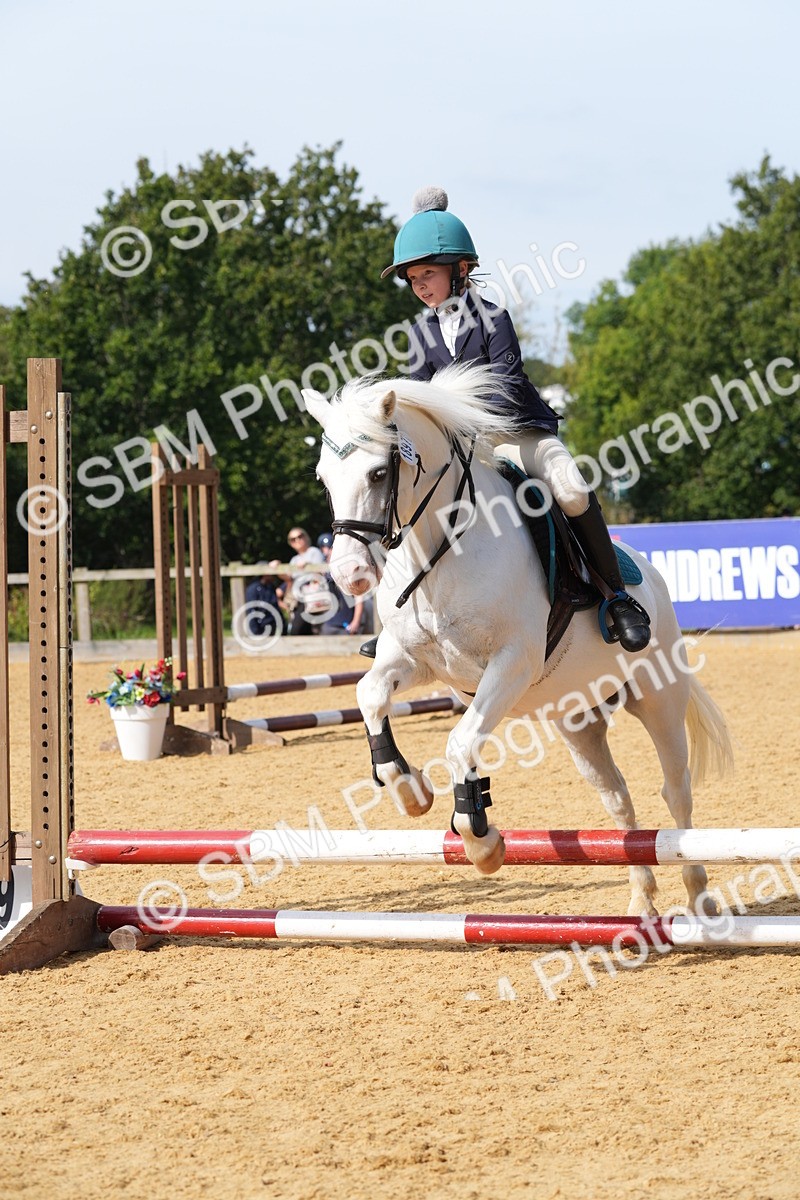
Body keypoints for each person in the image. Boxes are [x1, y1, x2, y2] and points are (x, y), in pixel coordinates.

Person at [360, 185, 650, 658]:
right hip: (463, 450)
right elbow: (420, 398)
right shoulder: (419, 333)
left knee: (571, 488)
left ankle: (616, 597)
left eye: (427, 274)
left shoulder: (493, 318)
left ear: (461, 270)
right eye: (413, 279)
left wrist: (459, 419)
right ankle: (400, 616)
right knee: (405, 491)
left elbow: (507, 385)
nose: (420, 287)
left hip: (517, 435)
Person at [280, 527, 327, 636]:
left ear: (306, 537)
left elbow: (321, 573)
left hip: (312, 596)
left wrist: (307, 564)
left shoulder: (314, 552)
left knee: (296, 630)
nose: (297, 540)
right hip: (299, 599)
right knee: (302, 630)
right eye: (293, 539)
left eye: (300, 536)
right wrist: (276, 568)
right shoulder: (294, 559)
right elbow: (289, 578)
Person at [316, 532, 366, 635]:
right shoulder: (322, 571)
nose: (326, 551)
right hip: (329, 623)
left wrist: (356, 621)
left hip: (347, 622)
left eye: (329, 547)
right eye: (323, 548)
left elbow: (359, 598)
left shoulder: (347, 567)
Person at [244, 565, 286, 638]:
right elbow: (251, 610)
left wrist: (282, 623)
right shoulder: (253, 589)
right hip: (261, 626)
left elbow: (275, 605)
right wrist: (255, 631)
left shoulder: (270, 587)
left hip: (273, 624)